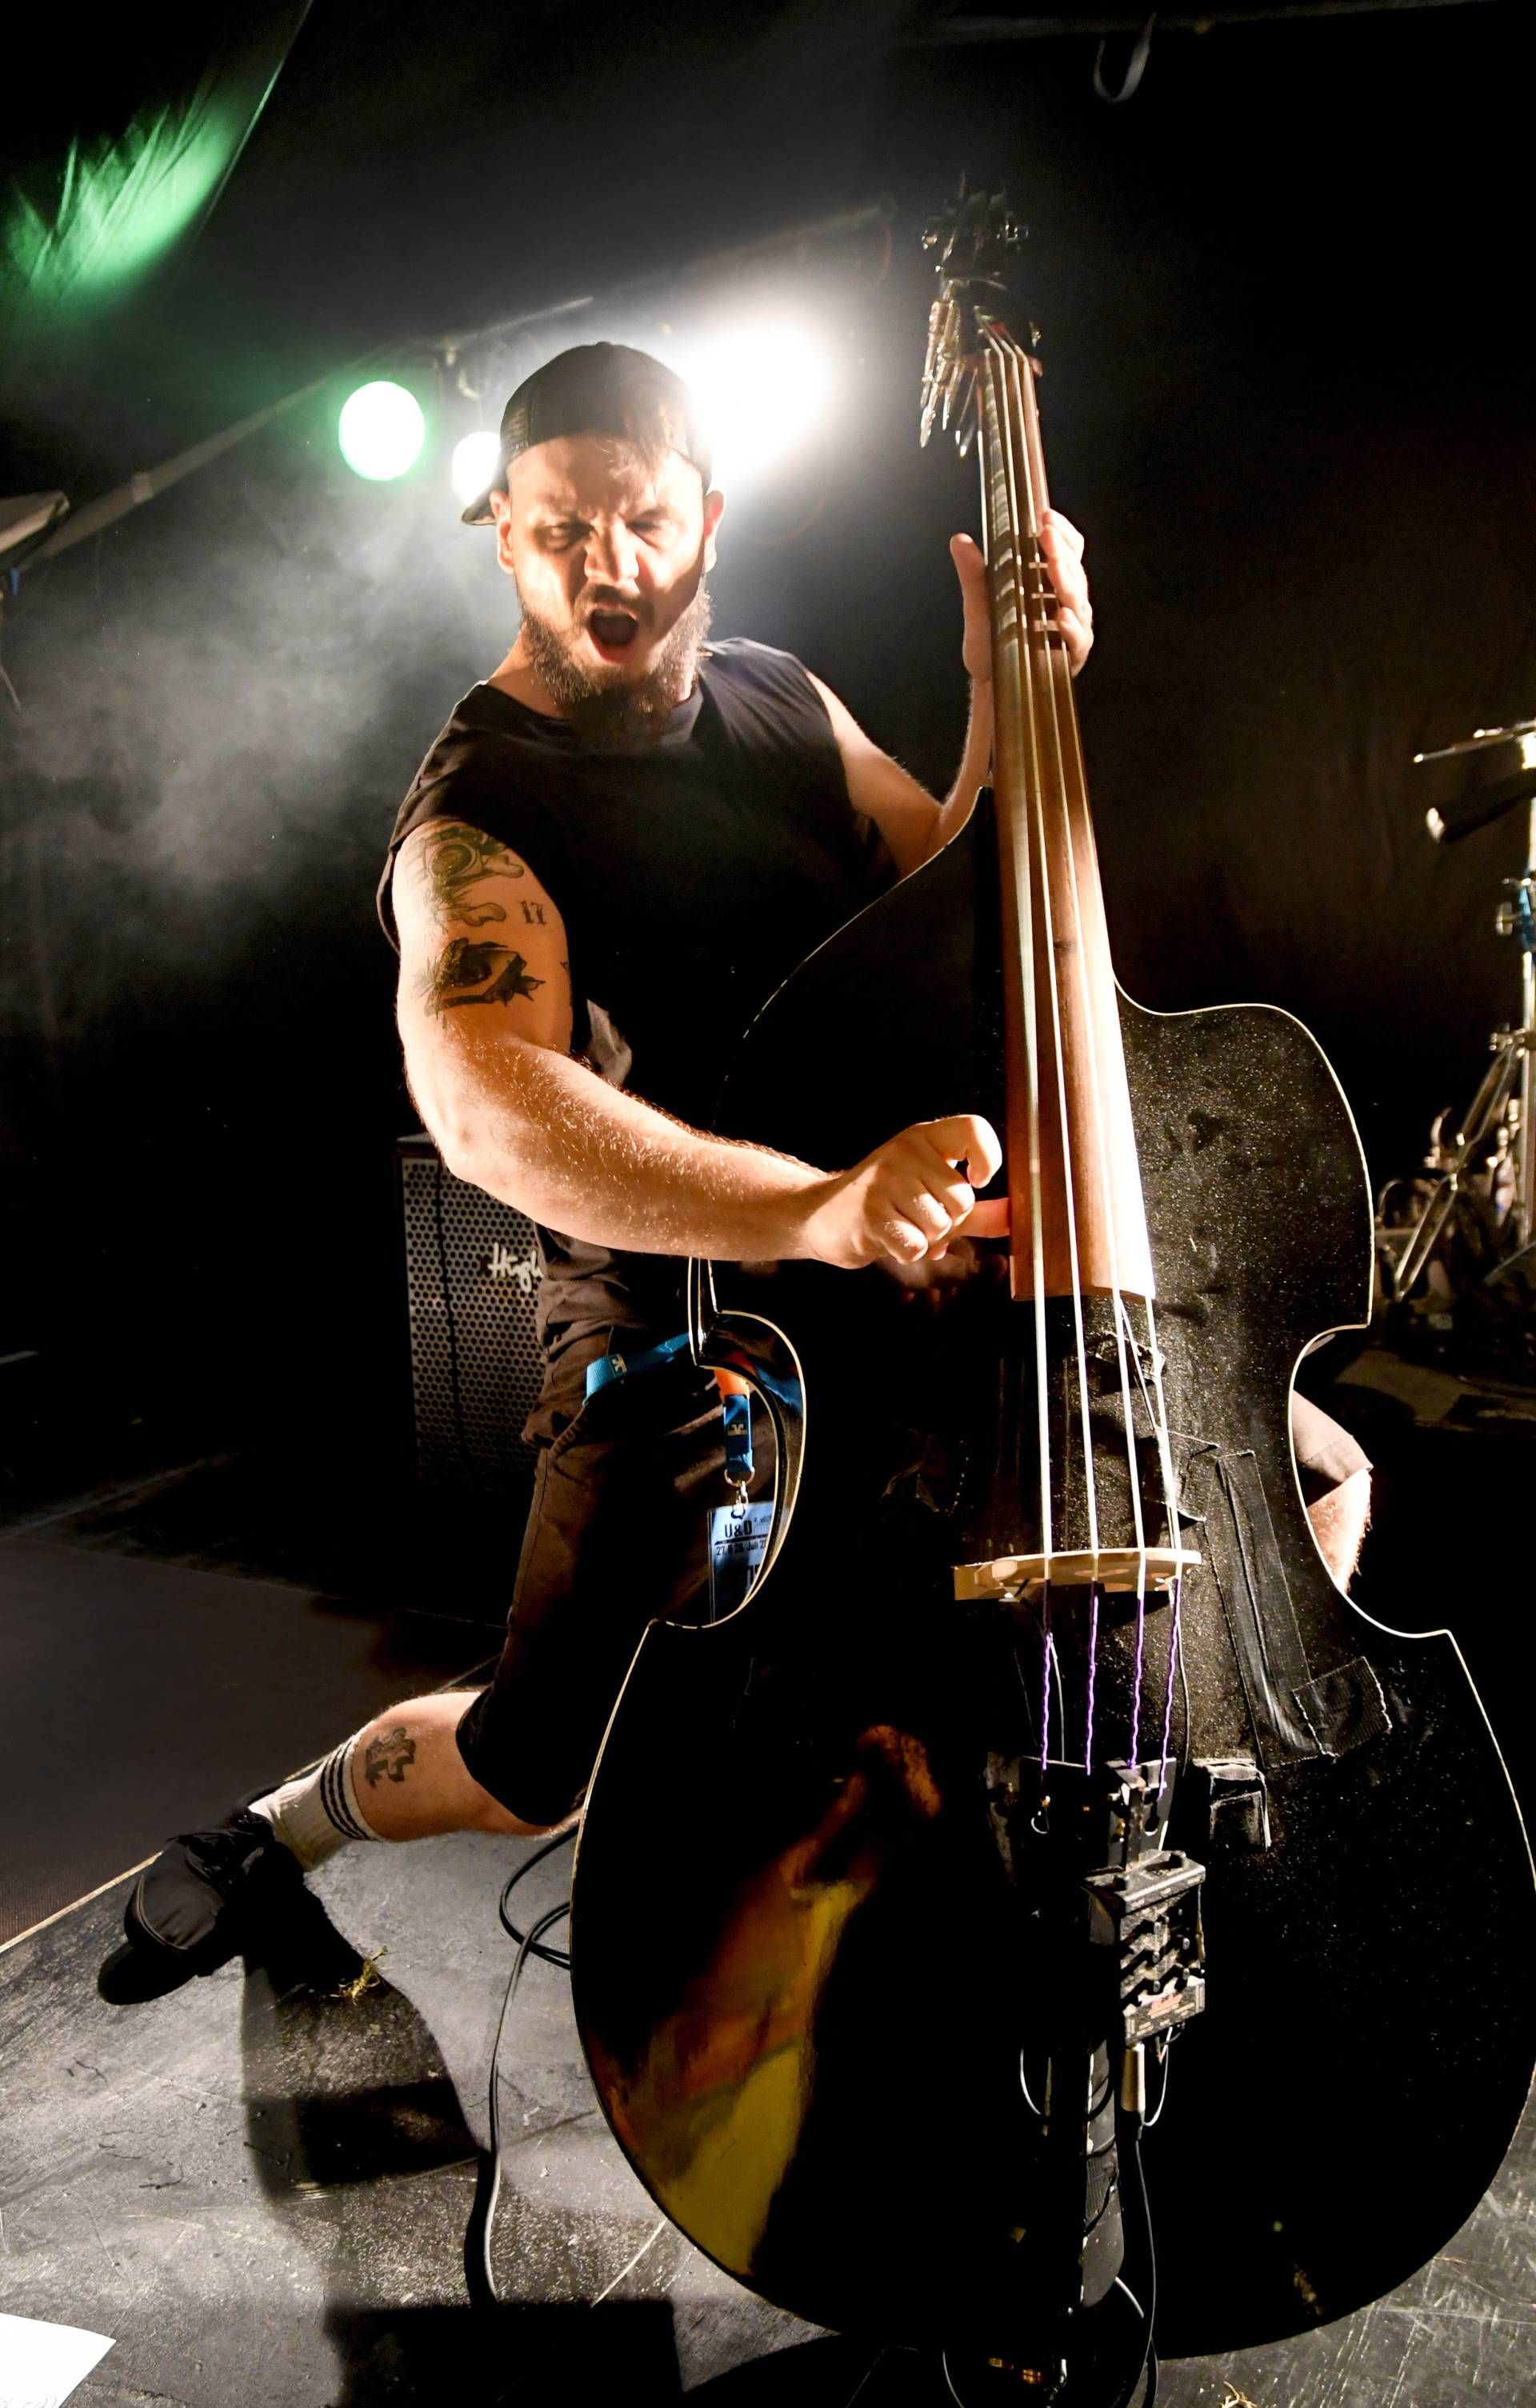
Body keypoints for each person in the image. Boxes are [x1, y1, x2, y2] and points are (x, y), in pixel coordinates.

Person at [98, 342, 1370, 2003]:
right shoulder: (477, 806)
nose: (605, 566)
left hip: (902, 1252)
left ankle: (1112, 1839)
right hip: (678, 1314)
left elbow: (962, 895)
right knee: (535, 1764)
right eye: (562, 531)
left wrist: (1012, 683)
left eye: (640, 519)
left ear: (708, 517)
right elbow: (486, 1102)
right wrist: (812, 1206)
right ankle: (283, 1825)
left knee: (1311, 1485)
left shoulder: (782, 698)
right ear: (503, 536)